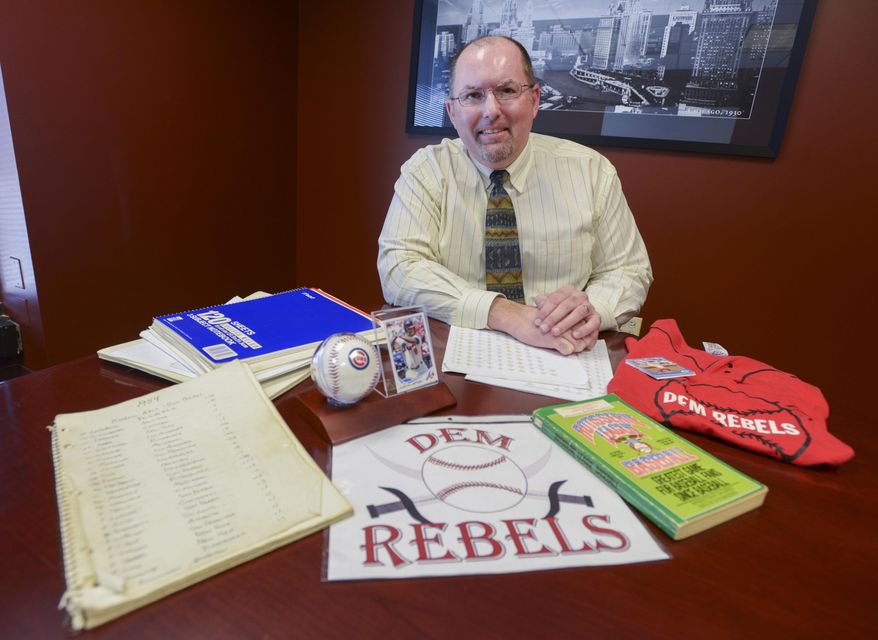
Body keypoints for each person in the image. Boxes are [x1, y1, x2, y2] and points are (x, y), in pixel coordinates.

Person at [377, 35, 652, 355]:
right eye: (472, 95)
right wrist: (505, 314)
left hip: (564, 350)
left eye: (506, 91)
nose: (491, 110)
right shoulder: (426, 171)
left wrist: (587, 312)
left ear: (534, 100)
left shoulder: (592, 171)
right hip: (456, 355)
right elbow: (400, 268)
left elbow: (628, 270)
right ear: (452, 113)